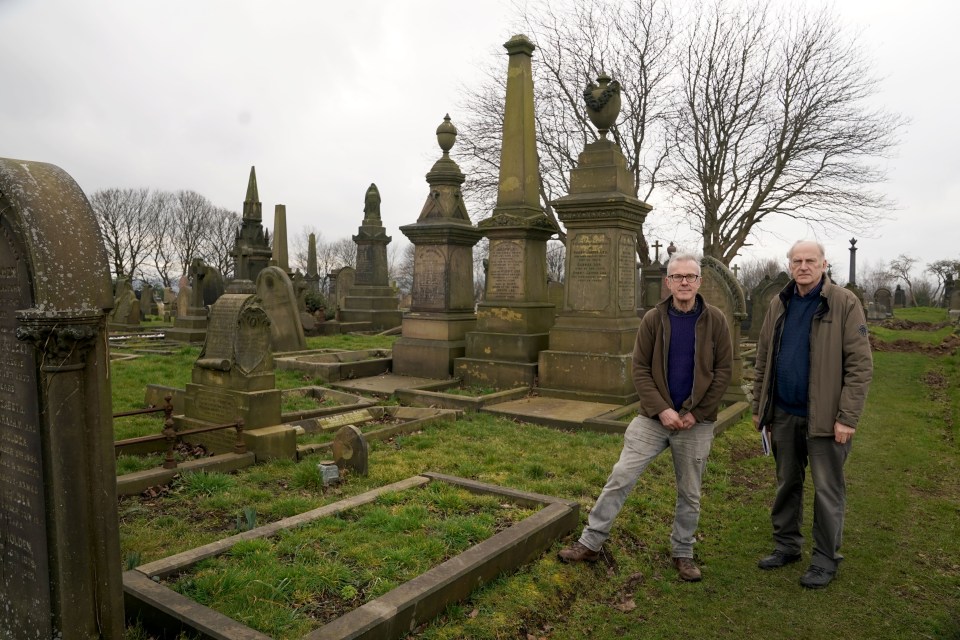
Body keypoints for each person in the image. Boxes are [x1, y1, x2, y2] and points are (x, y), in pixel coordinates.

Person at [558, 253, 733, 582]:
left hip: (697, 422)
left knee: (690, 492)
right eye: (677, 277)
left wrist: (695, 413)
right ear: (668, 282)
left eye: (690, 277)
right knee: (620, 477)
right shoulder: (653, 319)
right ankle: (591, 543)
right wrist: (662, 409)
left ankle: (683, 552)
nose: (684, 282)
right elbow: (639, 369)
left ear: (699, 282)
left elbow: (723, 371)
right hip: (653, 419)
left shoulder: (716, 321)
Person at [752, 240, 873, 589]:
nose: (803, 266)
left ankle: (824, 558)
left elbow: (860, 366)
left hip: (826, 418)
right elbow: (763, 360)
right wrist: (761, 410)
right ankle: (787, 545)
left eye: (810, 261)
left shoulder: (844, 303)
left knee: (826, 490)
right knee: (787, 483)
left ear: (823, 264)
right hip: (784, 414)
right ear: (790, 265)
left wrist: (847, 417)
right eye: (797, 261)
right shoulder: (779, 303)